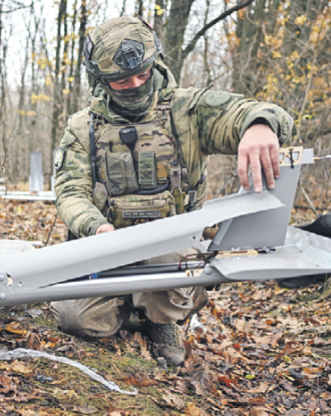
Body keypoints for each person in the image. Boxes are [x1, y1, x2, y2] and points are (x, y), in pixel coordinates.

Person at [51, 16, 293, 366]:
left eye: (142, 75)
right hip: (107, 249)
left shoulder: (188, 111)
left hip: (170, 249)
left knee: (170, 261)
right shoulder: (82, 127)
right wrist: (95, 227)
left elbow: (252, 112)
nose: (135, 85)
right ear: (100, 79)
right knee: (77, 320)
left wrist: (259, 126)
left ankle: (161, 320)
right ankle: (130, 307)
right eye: (122, 80)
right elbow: (70, 190)